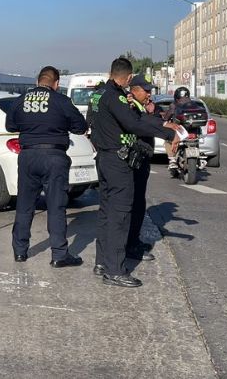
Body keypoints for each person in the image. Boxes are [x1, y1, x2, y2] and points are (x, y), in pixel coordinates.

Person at [89, 57, 178, 288]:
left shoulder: (98, 95)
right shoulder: (116, 96)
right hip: (118, 162)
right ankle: (115, 270)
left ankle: (102, 262)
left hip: (105, 158)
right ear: (128, 78)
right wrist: (168, 134)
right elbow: (134, 124)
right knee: (120, 216)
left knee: (107, 214)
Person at [6, 66, 88, 267]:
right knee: (56, 207)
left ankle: (20, 252)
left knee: (25, 206)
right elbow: (81, 127)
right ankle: (59, 255)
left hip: (28, 157)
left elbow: (10, 126)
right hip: (54, 157)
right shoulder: (61, 101)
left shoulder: (21, 99)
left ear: (37, 81)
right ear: (56, 84)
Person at [124, 74, 163, 262]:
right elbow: (140, 126)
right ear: (134, 89)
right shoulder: (129, 105)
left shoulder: (145, 106)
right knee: (134, 204)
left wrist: (152, 111)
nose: (149, 93)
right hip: (134, 160)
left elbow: (156, 119)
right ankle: (130, 246)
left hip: (143, 158)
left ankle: (134, 241)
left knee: (139, 204)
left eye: (150, 90)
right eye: (146, 90)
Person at [163, 86, 193, 173]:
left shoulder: (174, 105)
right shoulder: (193, 104)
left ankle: (172, 160)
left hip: (180, 130)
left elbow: (166, 117)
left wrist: (165, 120)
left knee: (168, 140)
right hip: (194, 130)